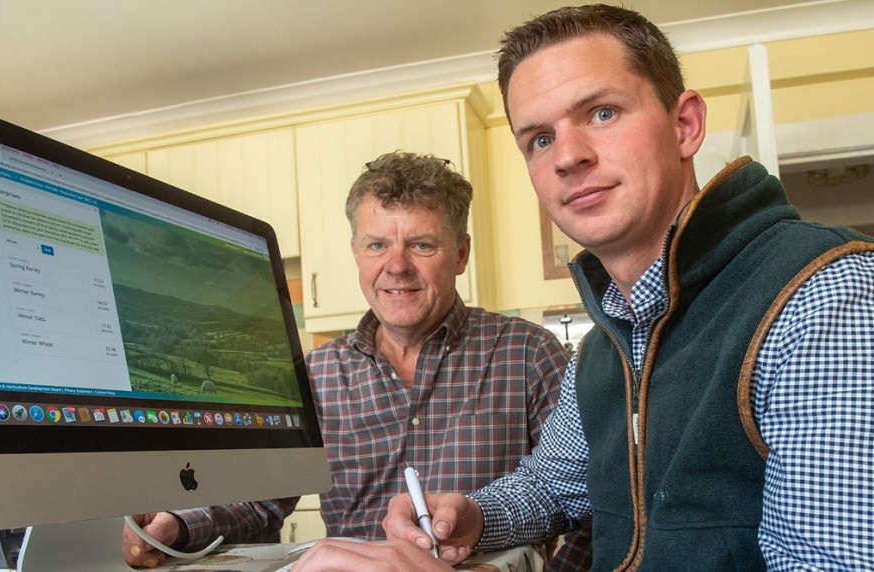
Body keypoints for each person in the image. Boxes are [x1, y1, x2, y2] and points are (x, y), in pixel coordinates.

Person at [295, 4, 874, 571]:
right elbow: (551, 488)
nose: (568, 156)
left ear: (685, 125)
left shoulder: (824, 294)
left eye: (601, 113)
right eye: (540, 139)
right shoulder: (605, 344)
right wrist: (474, 515)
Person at [123, 151, 593, 570]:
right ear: (355, 253)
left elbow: (584, 498)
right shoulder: (318, 373)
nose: (396, 265)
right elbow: (263, 500)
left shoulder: (529, 354)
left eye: (421, 244)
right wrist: (178, 527)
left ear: (461, 254)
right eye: (376, 245)